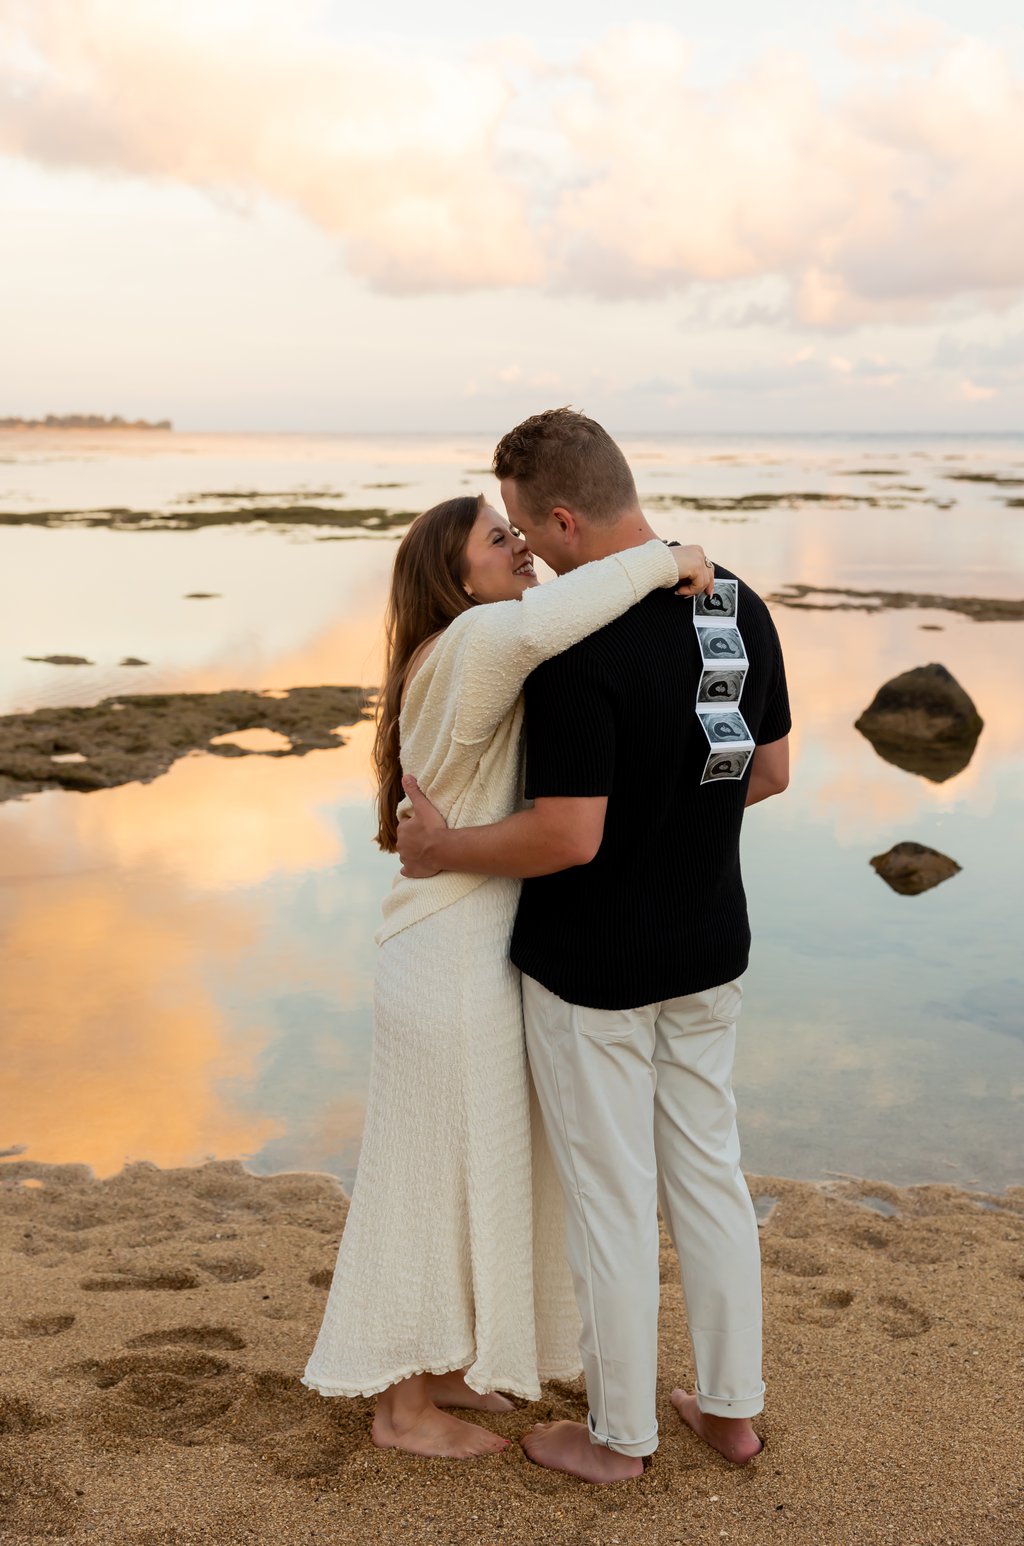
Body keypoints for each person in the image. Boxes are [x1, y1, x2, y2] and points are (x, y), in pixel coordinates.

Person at [397, 408, 791, 1481]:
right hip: (710, 943)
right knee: (709, 1174)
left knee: (612, 1198)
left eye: (525, 527)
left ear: (564, 519)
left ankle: (620, 1437)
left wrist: (442, 849)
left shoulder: (573, 642)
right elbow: (768, 771)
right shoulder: (736, 601)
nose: (527, 549)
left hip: (594, 967)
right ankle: (730, 1412)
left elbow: (569, 836)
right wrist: (677, 814)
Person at [301, 488, 714, 1459]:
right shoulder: (474, 641)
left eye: (517, 529)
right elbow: (554, 615)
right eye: (500, 538)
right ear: (455, 577)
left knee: (475, 1161)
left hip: (471, 942)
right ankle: (400, 1409)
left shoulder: (461, 649)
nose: (521, 544)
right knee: (424, 1175)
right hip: (447, 950)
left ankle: (446, 1366)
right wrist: (669, 557)